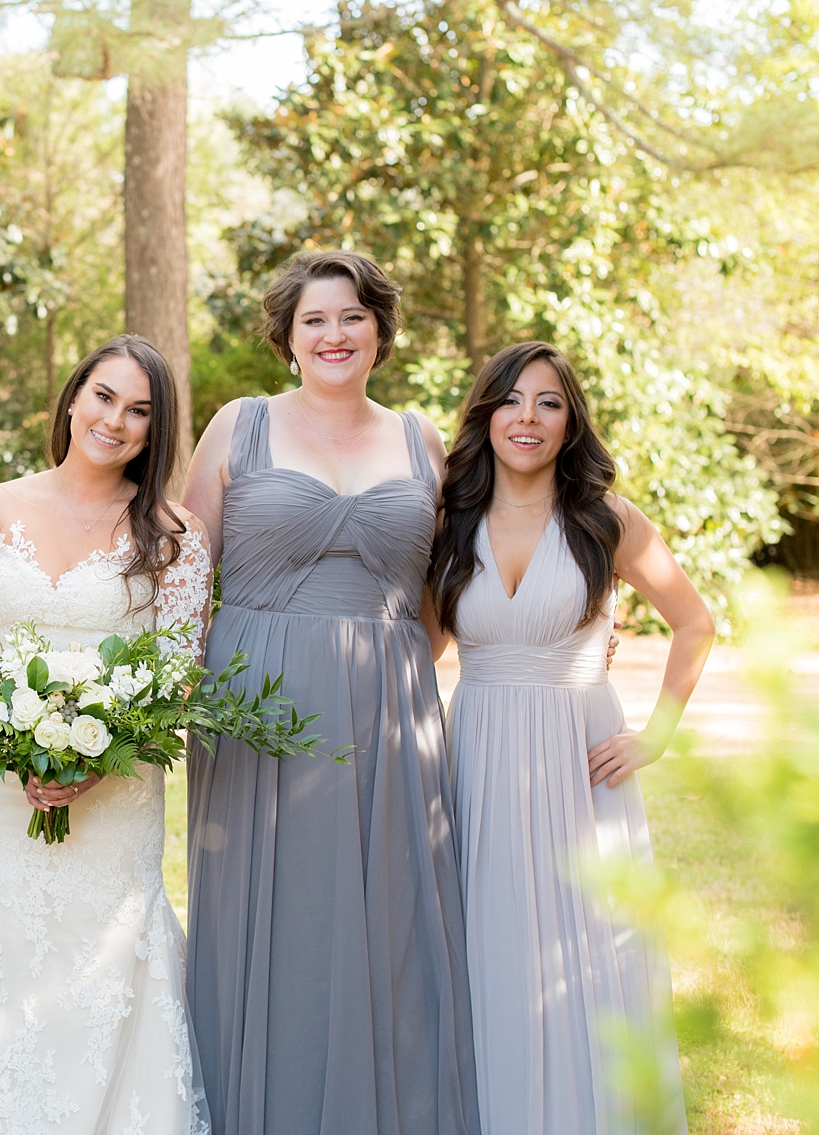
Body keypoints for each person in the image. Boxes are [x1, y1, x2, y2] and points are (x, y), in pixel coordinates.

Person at [181, 250, 480, 1135]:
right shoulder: (240, 426)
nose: (334, 333)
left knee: (387, 923)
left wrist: (384, 670)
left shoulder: (423, 439)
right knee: (272, 924)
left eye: (352, 316)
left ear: (380, 331)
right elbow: (186, 576)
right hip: (254, 708)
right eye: (315, 319)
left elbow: (446, 593)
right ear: (288, 338)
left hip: (390, 710)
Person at [430, 341, 704, 1135]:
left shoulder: (606, 520)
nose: (527, 417)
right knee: (489, 948)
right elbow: (424, 646)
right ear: (485, 416)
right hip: (478, 752)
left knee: (591, 954)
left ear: (569, 421)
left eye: (548, 402)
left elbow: (696, 623)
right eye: (511, 400)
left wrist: (654, 736)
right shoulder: (452, 520)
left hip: (580, 763)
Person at [0, 334, 213, 1135]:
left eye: (140, 410)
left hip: (118, 790)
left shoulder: (175, 533)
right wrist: (12, 738)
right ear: (72, 397)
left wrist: (95, 758)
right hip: (3, 786)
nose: (116, 420)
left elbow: (176, 669)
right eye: (104, 396)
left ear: (155, 429)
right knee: (3, 967)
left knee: (103, 976)